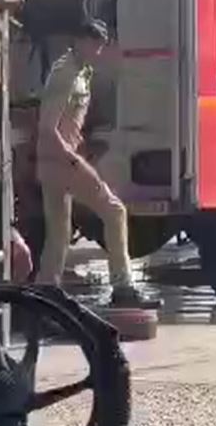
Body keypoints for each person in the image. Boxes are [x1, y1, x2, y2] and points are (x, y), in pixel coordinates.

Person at [35, 21, 157, 308]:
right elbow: (47, 128)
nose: (98, 52)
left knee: (58, 237)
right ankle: (123, 288)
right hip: (61, 162)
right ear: (79, 41)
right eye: (95, 45)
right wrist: (74, 160)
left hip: (57, 163)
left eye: (101, 47)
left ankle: (42, 300)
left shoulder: (82, 71)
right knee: (114, 211)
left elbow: (70, 121)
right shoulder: (64, 73)